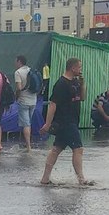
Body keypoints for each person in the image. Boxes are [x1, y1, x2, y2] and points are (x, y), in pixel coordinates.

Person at [39, 57, 93, 186]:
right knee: (78, 149)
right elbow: (53, 104)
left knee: (56, 149)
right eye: (79, 67)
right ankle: (81, 179)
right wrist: (47, 124)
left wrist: (82, 84)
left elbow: (82, 98)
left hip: (73, 120)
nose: (81, 69)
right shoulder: (61, 84)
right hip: (65, 121)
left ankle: (45, 178)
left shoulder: (75, 82)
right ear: (72, 68)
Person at [13, 54, 39, 152]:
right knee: (28, 123)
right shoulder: (31, 71)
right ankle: (27, 144)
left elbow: (19, 88)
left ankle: (28, 147)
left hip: (23, 101)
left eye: (16, 61)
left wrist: (16, 97)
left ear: (19, 61)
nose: (15, 63)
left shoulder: (18, 72)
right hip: (33, 100)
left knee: (26, 124)